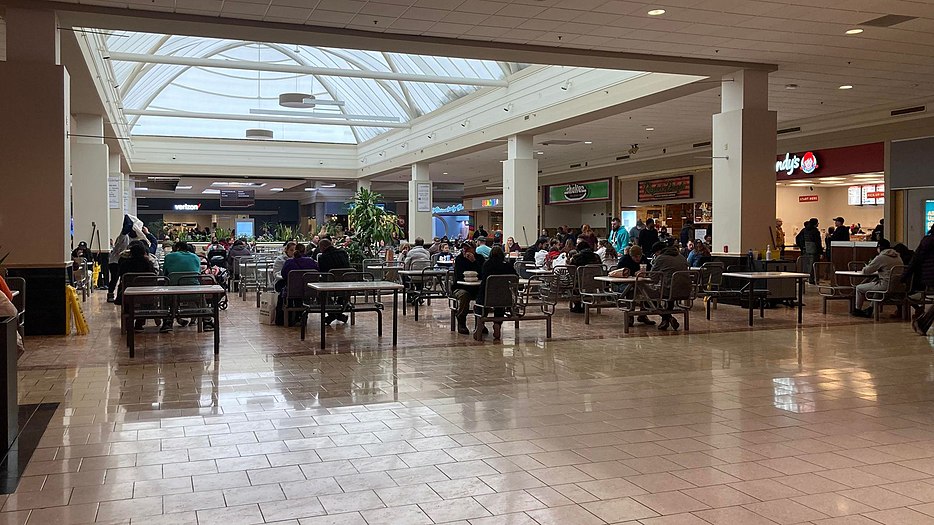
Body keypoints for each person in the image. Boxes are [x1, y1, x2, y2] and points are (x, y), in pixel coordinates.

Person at [474, 245, 516, 340]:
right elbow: (515, 277)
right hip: (504, 297)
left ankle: (481, 321)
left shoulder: (487, 265)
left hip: (486, 295)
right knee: (500, 306)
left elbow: (482, 277)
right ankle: (497, 323)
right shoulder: (507, 265)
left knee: (480, 303)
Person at [852, 239, 901, 318]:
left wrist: (868, 265)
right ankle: (870, 309)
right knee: (876, 290)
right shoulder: (898, 257)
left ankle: (858, 310)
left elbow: (866, 271)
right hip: (897, 286)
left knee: (859, 288)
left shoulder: (881, 257)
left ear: (879, 248)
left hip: (885, 285)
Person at [647, 241, 689, 330]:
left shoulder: (661, 258)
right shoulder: (681, 257)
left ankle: (668, 317)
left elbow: (653, 278)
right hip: (686, 290)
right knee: (670, 288)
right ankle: (665, 321)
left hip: (669, 291)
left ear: (658, 251)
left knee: (646, 296)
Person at [452, 241, 485, 335]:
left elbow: (483, 273)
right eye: (464, 248)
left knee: (484, 295)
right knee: (464, 295)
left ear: (474, 249)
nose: (465, 250)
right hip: (461, 287)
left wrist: (474, 261)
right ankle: (461, 320)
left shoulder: (480, 258)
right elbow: (459, 276)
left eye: (467, 248)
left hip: (476, 287)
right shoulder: (459, 259)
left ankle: (480, 321)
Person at [907, 225, 934, 334]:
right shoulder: (929, 242)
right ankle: (922, 323)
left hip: (929, 276)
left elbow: (916, 259)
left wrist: (906, 274)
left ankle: (922, 323)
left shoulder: (926, 241)